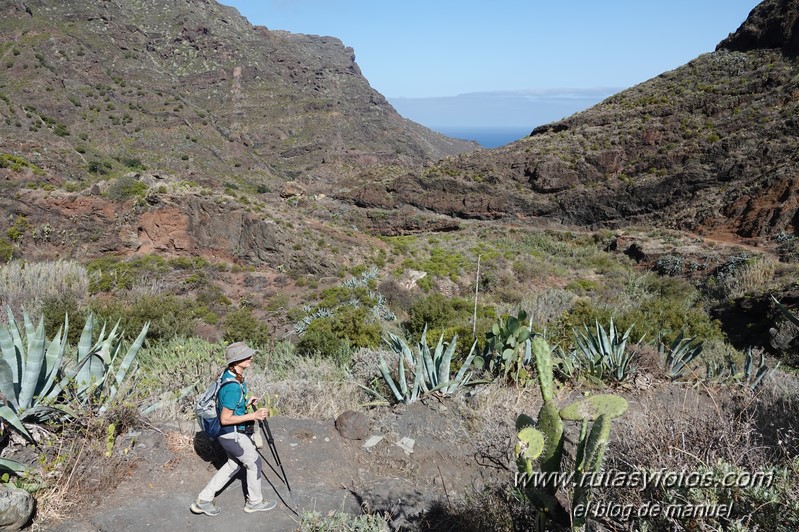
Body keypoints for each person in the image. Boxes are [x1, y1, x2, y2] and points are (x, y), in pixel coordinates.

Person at [191, 341, 276, 516]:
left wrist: (245, 403)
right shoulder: (232, 387)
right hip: (233, 435)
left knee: (233, 464)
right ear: (236, 361)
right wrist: (253, 415)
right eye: (247, 356)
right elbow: (225, 418)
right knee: (254, 463)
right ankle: (254, 502)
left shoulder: (229, 376)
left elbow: (228, 406)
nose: (251, 358)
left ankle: (203, 500)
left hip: (228, 435)